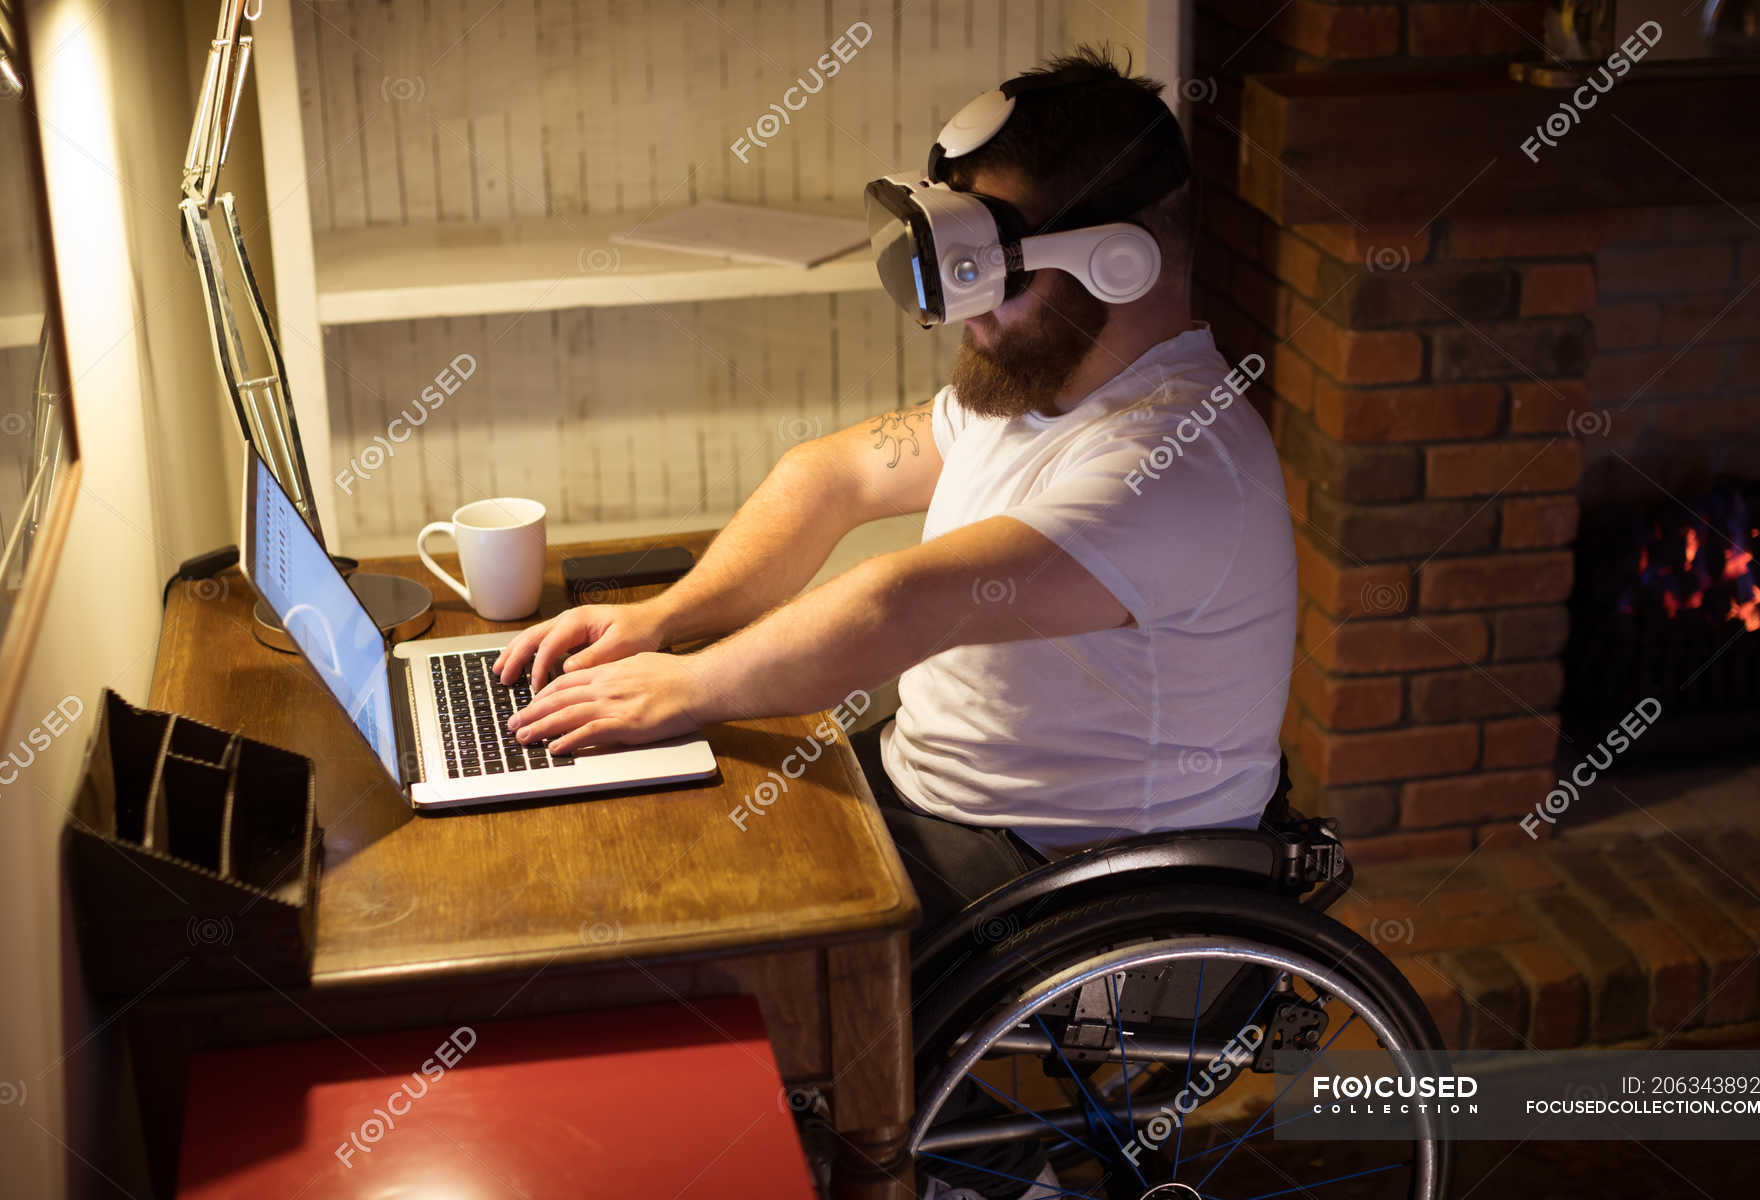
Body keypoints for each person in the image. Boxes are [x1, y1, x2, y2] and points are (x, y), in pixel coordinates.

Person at [495, 47, 1298, 1199]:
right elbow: (826, 475)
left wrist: (687, 687)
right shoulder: (1039, 386)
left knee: (713, 945)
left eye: (993, 278)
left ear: (1117, 264)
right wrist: (660, 624)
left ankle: (986, 1173)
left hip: (1074, 880)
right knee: (676, 842)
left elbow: (898, 603)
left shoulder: (1172, 463)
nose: (962, 319)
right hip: (948, 808)